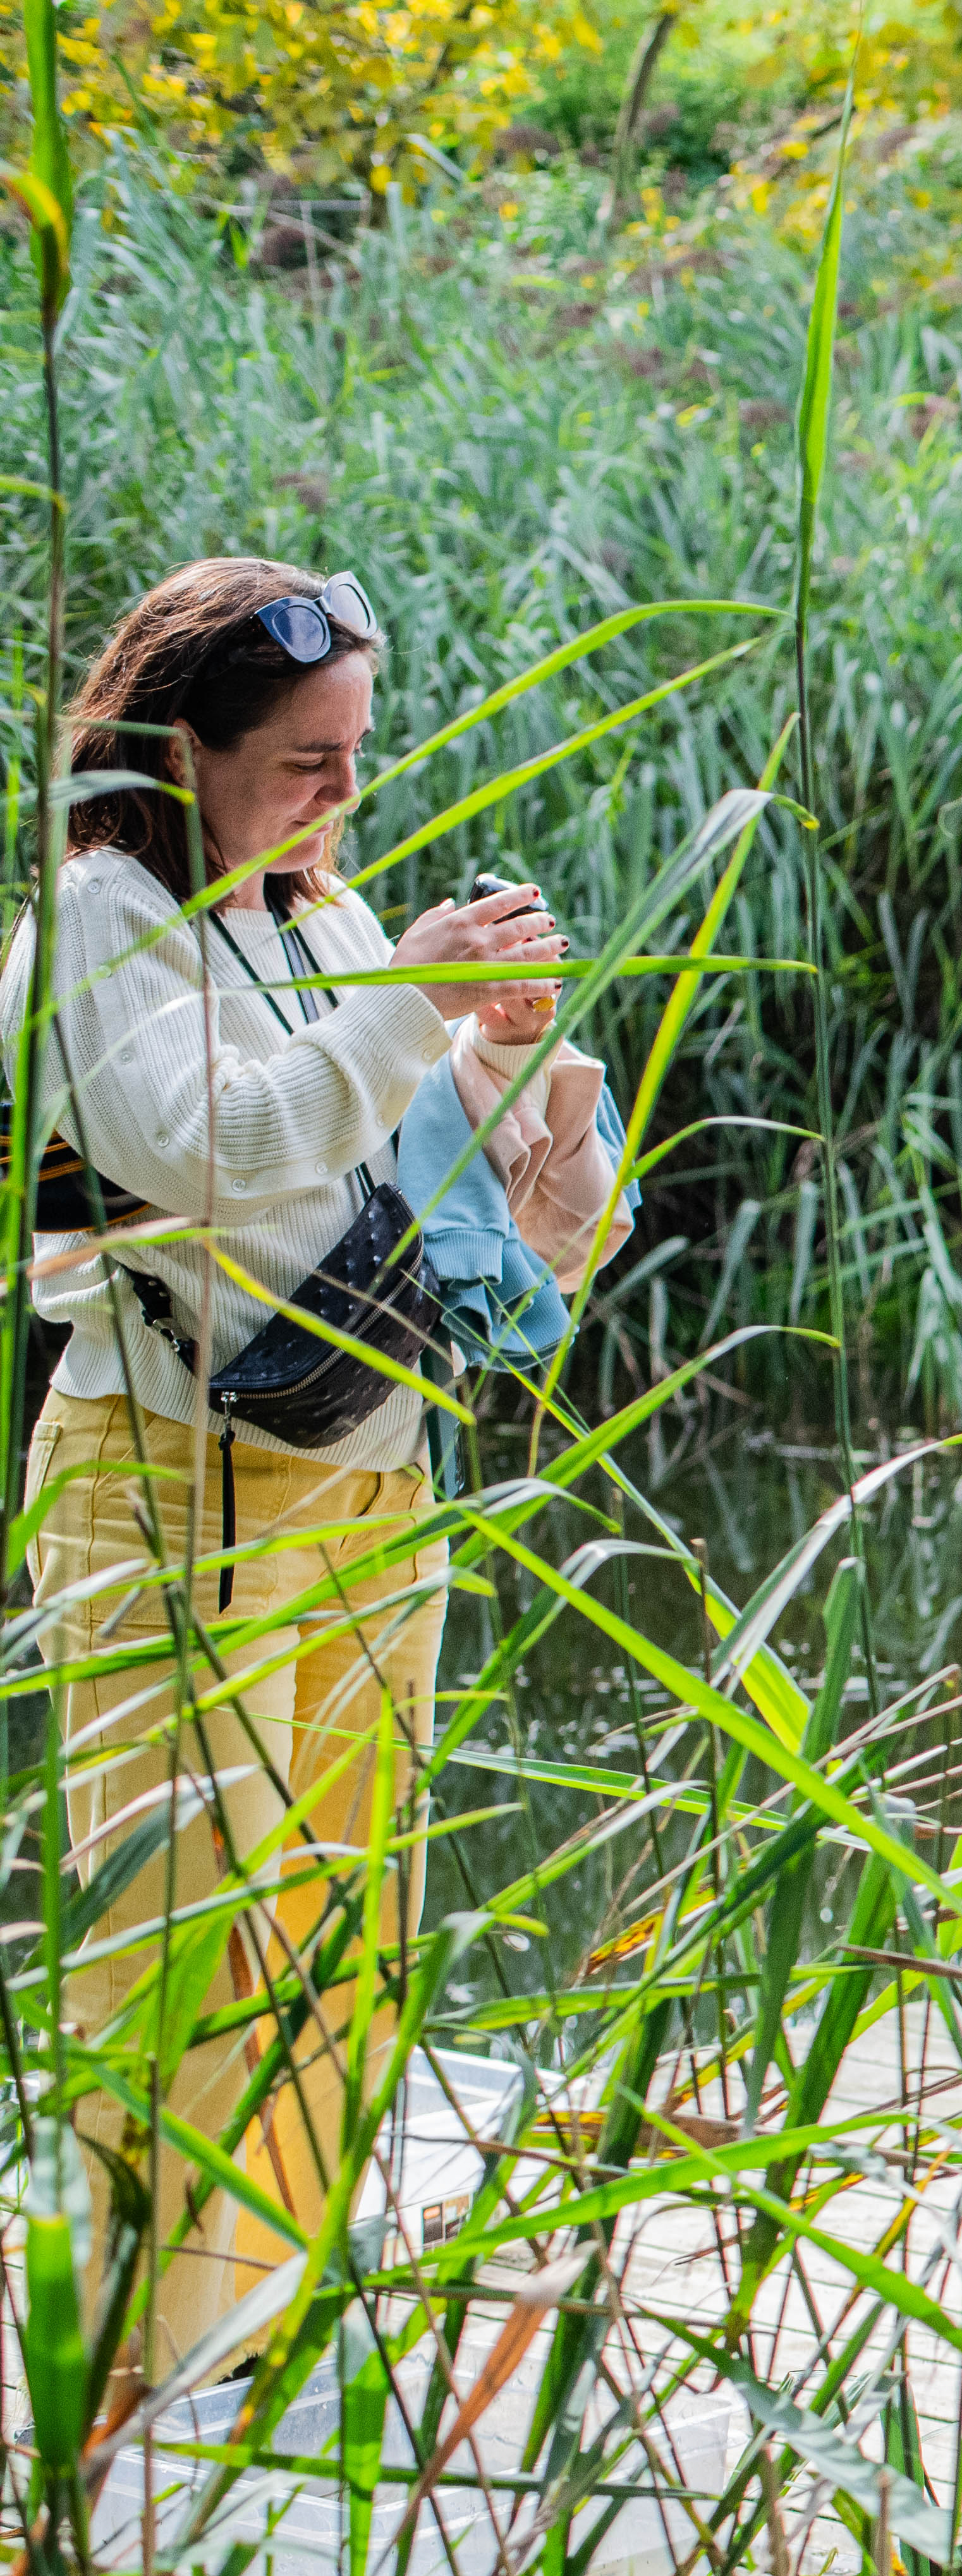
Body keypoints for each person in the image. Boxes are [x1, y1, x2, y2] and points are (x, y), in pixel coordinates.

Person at [16, 560, 606, 2390]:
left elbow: (451, 1208)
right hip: (173, 1479)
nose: (342, 794)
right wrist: (408, 1001)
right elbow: (217, 1146)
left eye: (356, 754)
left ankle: (269, 2325)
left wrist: (518, 1070)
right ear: (171, 746)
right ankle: (133, 2369)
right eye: (302, 761)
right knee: (177, 1935)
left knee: (342, 1915)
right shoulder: (93, 922)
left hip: (364, 1475)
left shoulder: (310, 910)